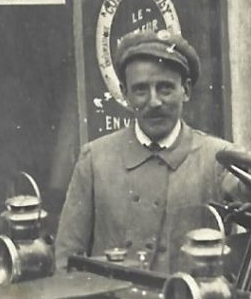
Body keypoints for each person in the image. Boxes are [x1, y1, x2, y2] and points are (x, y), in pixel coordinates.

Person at [55, 29, 240, 272]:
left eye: (165, 88)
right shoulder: (95, 160)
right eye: (141, 90)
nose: (154, 102)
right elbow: (67, 259)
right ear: (124, 93)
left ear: (185, 90)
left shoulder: (218, 159)